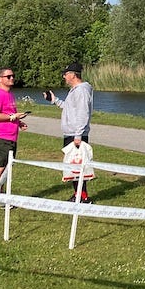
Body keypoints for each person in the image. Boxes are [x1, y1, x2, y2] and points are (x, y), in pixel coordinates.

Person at [46, 62, 94, 203]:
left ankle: (83, 197)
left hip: (76, 135)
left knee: (78, 167)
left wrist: (78, 135)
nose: (64, 77)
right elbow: (69, 108)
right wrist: (54, 100)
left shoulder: (81, 91)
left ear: (73, 75)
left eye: (66, 74)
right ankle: (78, 195)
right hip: (70, 134)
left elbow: (83, 113)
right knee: (73, 167)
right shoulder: (75, 90)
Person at [0, 67, 27, 203]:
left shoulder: (9, 94)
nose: (11, 78)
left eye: (12, 76)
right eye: (8, 76)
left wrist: (18, 122)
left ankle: (1, 197)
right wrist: (12, 117)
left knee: (5, 170)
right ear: (0, 79)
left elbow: (9, 114)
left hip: (10, 138)